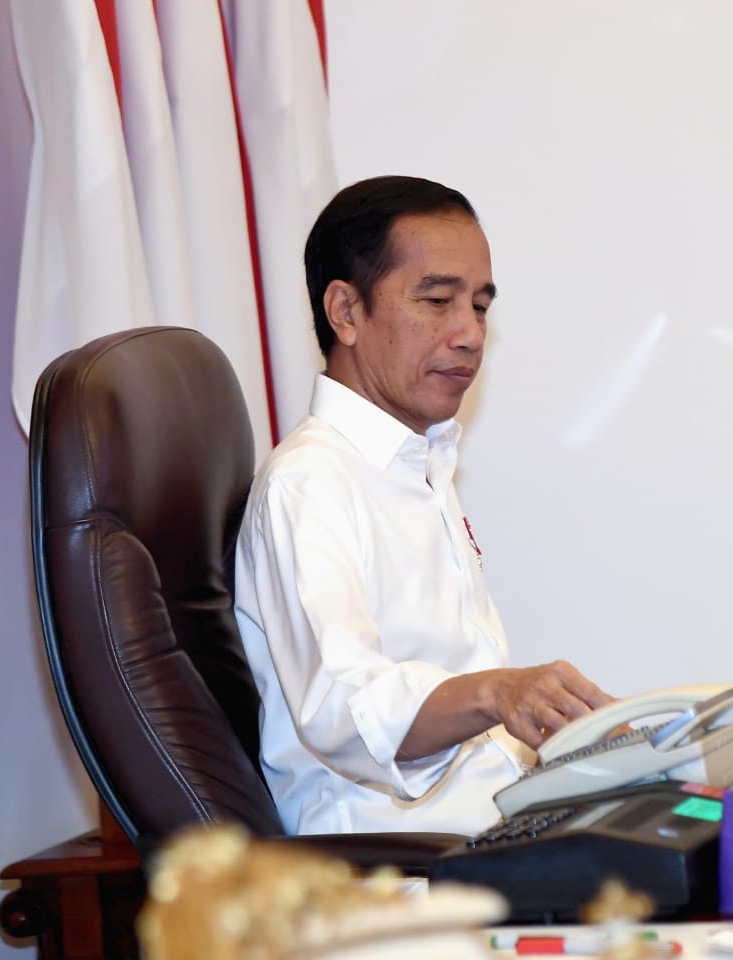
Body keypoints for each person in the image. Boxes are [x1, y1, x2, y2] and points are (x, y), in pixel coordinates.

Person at [234, 175, 614, 837]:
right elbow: (345, 707)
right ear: (346, 313)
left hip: (493, 832)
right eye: (437, 300)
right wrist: (498, 692)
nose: (469, 334)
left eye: (481, 306)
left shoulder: (421, 462)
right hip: (399, 877)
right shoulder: (309, 484)